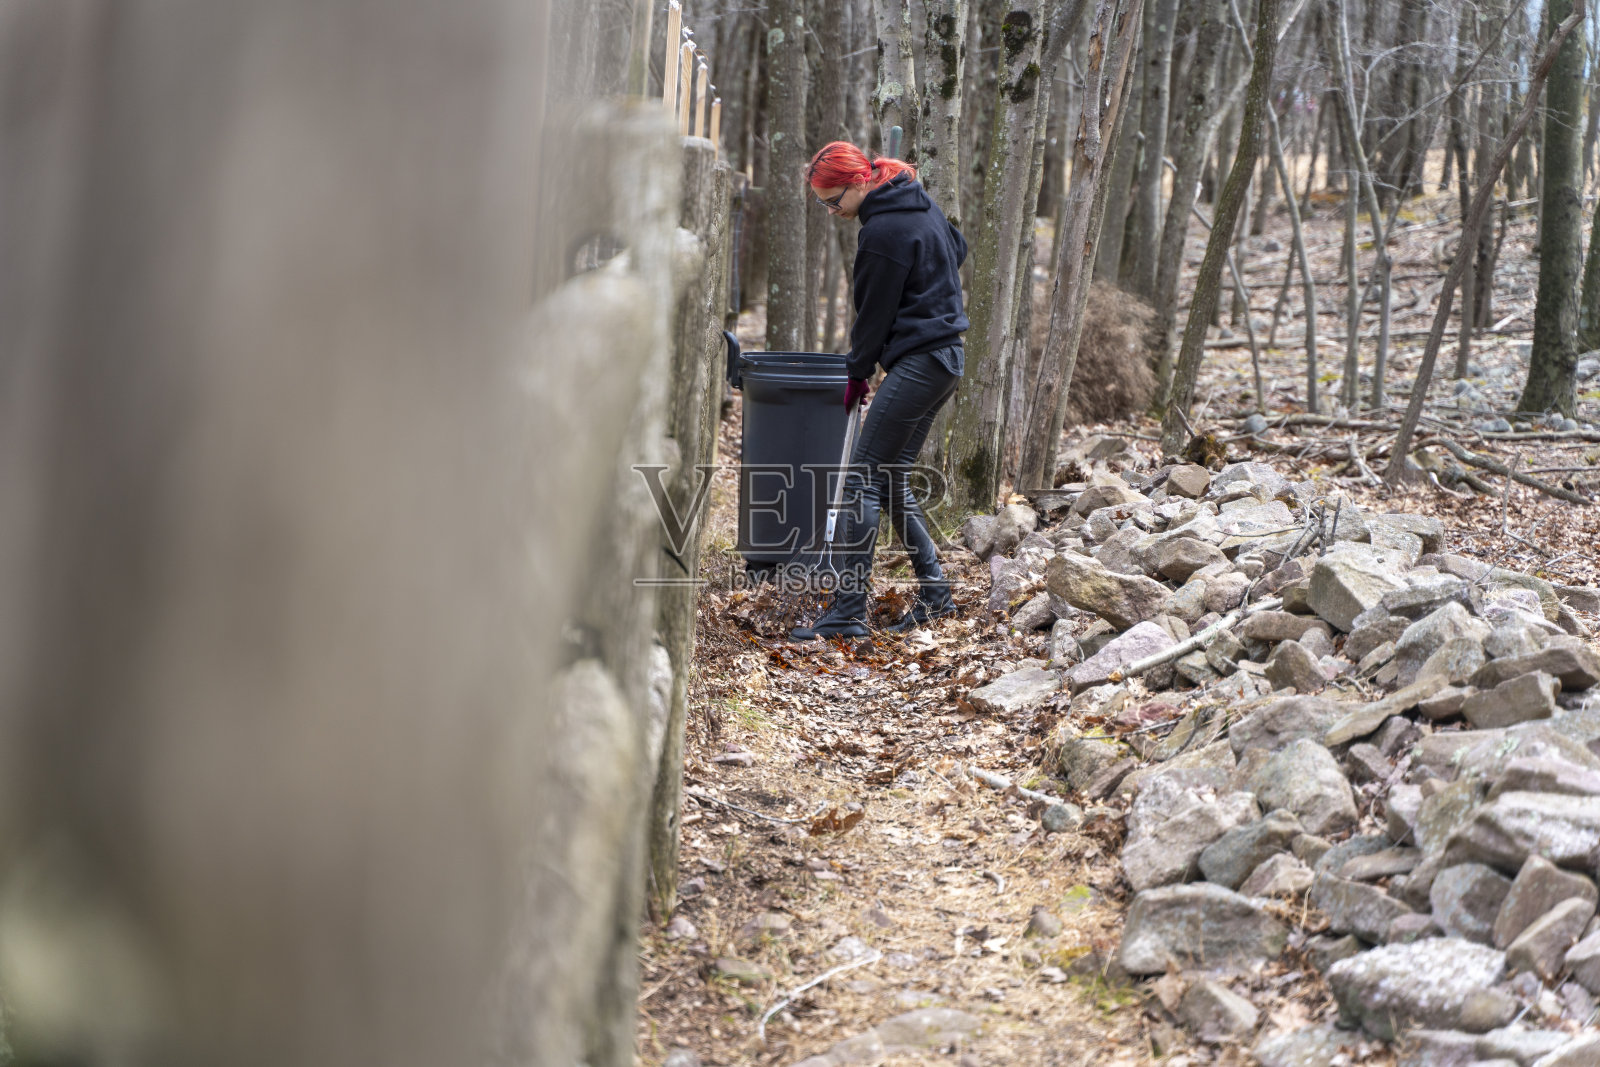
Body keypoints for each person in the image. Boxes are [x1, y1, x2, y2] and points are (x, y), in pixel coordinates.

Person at [791, 141, 969, 640]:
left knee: (860, 481)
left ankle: (848, 612)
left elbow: (872, 317)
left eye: (833, 201)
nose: (830, 212)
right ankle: (936, 594)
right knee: (890, 478)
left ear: (859, 182)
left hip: (922, 361)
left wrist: (857, 373)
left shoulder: (882, 233)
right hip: (946, 357)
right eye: (822, 203)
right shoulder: (915, 200)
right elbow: (957, 247)